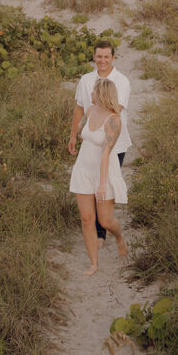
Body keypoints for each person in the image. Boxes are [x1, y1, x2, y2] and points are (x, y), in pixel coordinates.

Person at [68, 40, 131, 245]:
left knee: (104, 190)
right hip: (89, 143)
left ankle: (103, 231)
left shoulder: (121, 81)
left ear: (113, 58)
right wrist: (73, 135)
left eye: (106, 56)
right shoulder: (86, 80)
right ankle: (98, 233)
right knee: (90, 188)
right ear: (94, 57)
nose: (102, 60)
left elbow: (114, 111)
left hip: (114, 146)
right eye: (99, 56)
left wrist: (93, 126)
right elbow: (79, 108)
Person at [69, 78, 129, 275]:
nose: (91, 95)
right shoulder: (90, 111)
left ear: (102, 94)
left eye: (93, 91)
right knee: (87, 219)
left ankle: (119, 238)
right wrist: (74, 135)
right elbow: (83, 132)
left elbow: (105, 153)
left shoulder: (114, 120)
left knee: (105, 221)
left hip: (103, 172)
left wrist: (102, 185)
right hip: (82, 169)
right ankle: (93, 263)